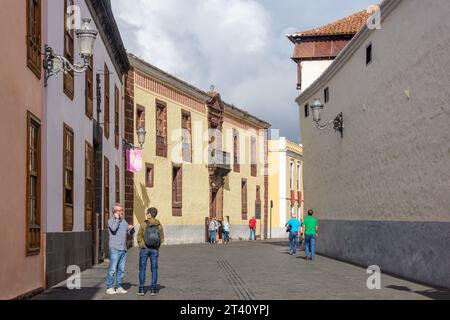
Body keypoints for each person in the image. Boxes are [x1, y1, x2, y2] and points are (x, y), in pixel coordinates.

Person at [106, 204, 135, 295]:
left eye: (122, 210)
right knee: (112, 269)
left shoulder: (124, 221)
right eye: (119, 210)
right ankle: (110, 287)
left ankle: (119, 286)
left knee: (121, 270)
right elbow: (113, 228)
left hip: (123, 249)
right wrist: (117, 219)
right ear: (114, 212)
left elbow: (128, 232)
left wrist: (131, 229)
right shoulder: (111, 221)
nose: (121, 212)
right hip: (114, 248)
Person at [137, 208, 164, 296]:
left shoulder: (144, 223)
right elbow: (162, 238)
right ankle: (153, 289)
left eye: (147, 213)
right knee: (154, 269)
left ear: (150, 214)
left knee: (142, 269)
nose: (146, 214)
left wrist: (142, 245)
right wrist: (157, 247)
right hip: (155, 250)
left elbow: (139, 236)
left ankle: (141, 289)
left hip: (144, 249)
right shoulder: (159, 224)